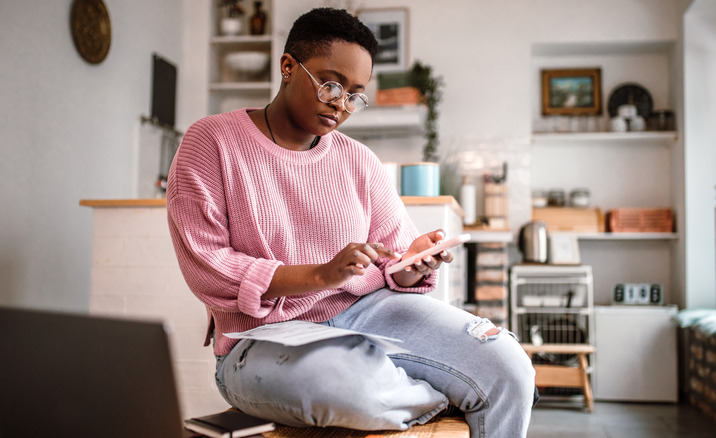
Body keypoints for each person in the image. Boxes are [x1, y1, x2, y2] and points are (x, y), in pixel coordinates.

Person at [166, 7, 536, 438]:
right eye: (331, 85)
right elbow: (207, 267)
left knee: (509, 367)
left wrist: (411, 264)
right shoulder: (211, 142)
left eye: (355, 95)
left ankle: (421, 388)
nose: (340, 105)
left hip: (369, 314)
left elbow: (393, 259)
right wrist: (321, 275)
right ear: (288, 67)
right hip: (263, 338)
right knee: (338, 384)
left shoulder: (359, 160)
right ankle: (446, 393)